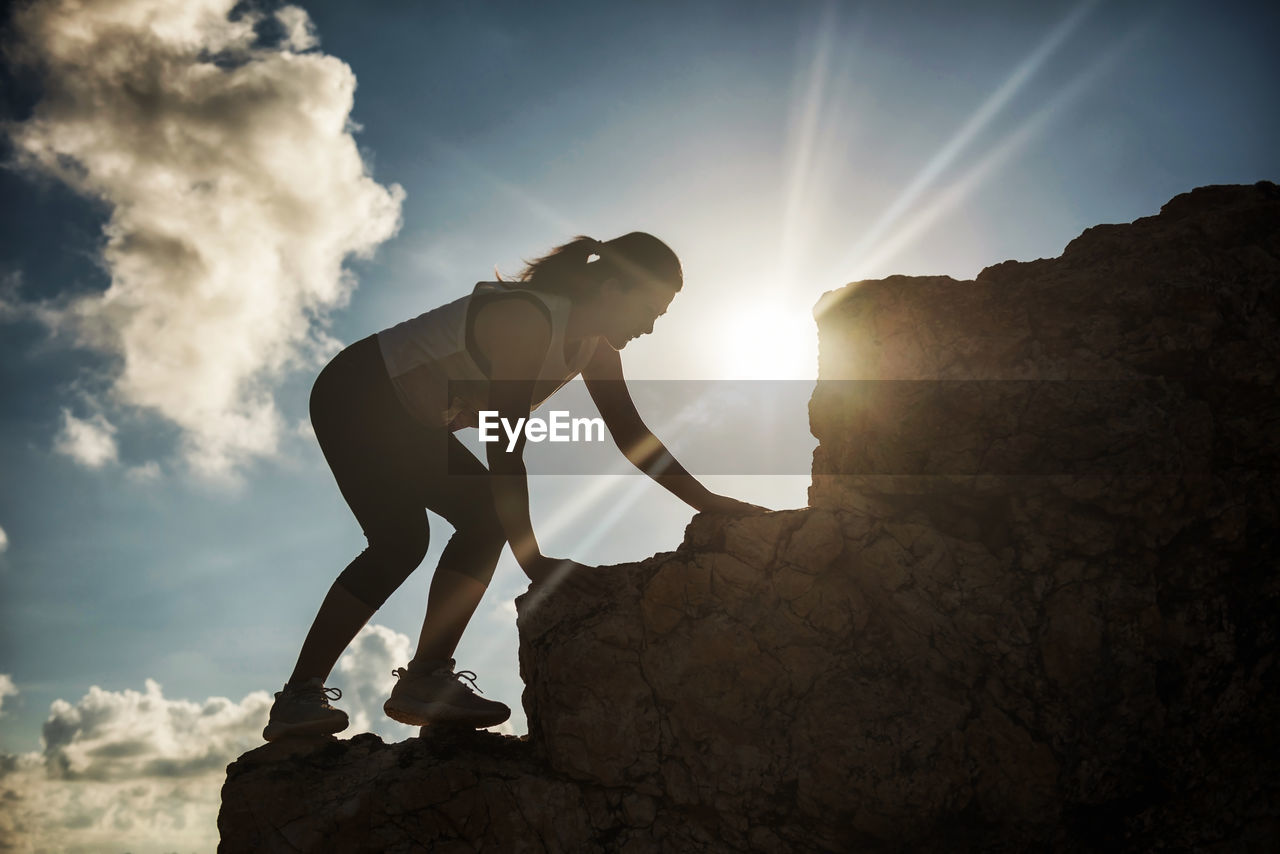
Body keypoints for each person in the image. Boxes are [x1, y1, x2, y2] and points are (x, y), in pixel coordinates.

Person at [262, 232, 768, 741]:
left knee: (477, 519)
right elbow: (504, 446)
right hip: (357, 392)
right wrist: (534, 562)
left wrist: (710, 503)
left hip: (410, 418)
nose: (652, 328)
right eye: (651, 310)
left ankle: (424, 679)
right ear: (613, 287)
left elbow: (631, 435)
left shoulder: (595, 348)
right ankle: (300, 697)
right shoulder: (527, 320)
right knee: (403, 542)